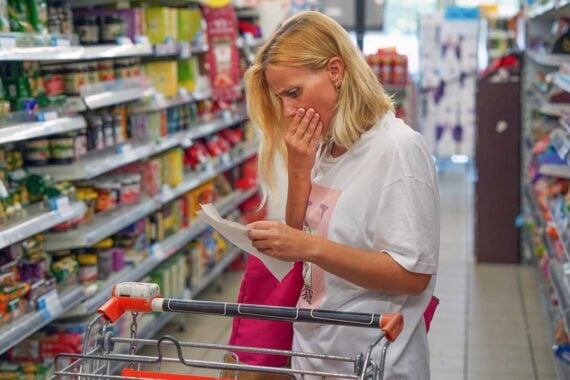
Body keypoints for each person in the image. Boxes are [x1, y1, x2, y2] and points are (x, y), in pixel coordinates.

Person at [244, 11, 440, 380]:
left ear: (336, 70)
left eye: (294, 92)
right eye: (279, 97)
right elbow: (304, 246)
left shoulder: (398, 149)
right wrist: (300, 171)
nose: (287, 109)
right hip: (315, 354)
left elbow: (413, 275)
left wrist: (305, 246)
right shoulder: (328, 146)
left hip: (374, 360)